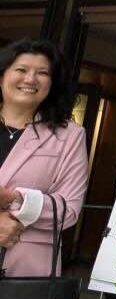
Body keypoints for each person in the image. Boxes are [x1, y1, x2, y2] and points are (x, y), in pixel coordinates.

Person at [0, 38, 88, 277]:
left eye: (42, 73)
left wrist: (16, 199)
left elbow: (69, 210)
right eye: (21, 70)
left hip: (23, 272)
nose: (30, 79)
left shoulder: (69, 135)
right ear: (2, 75)